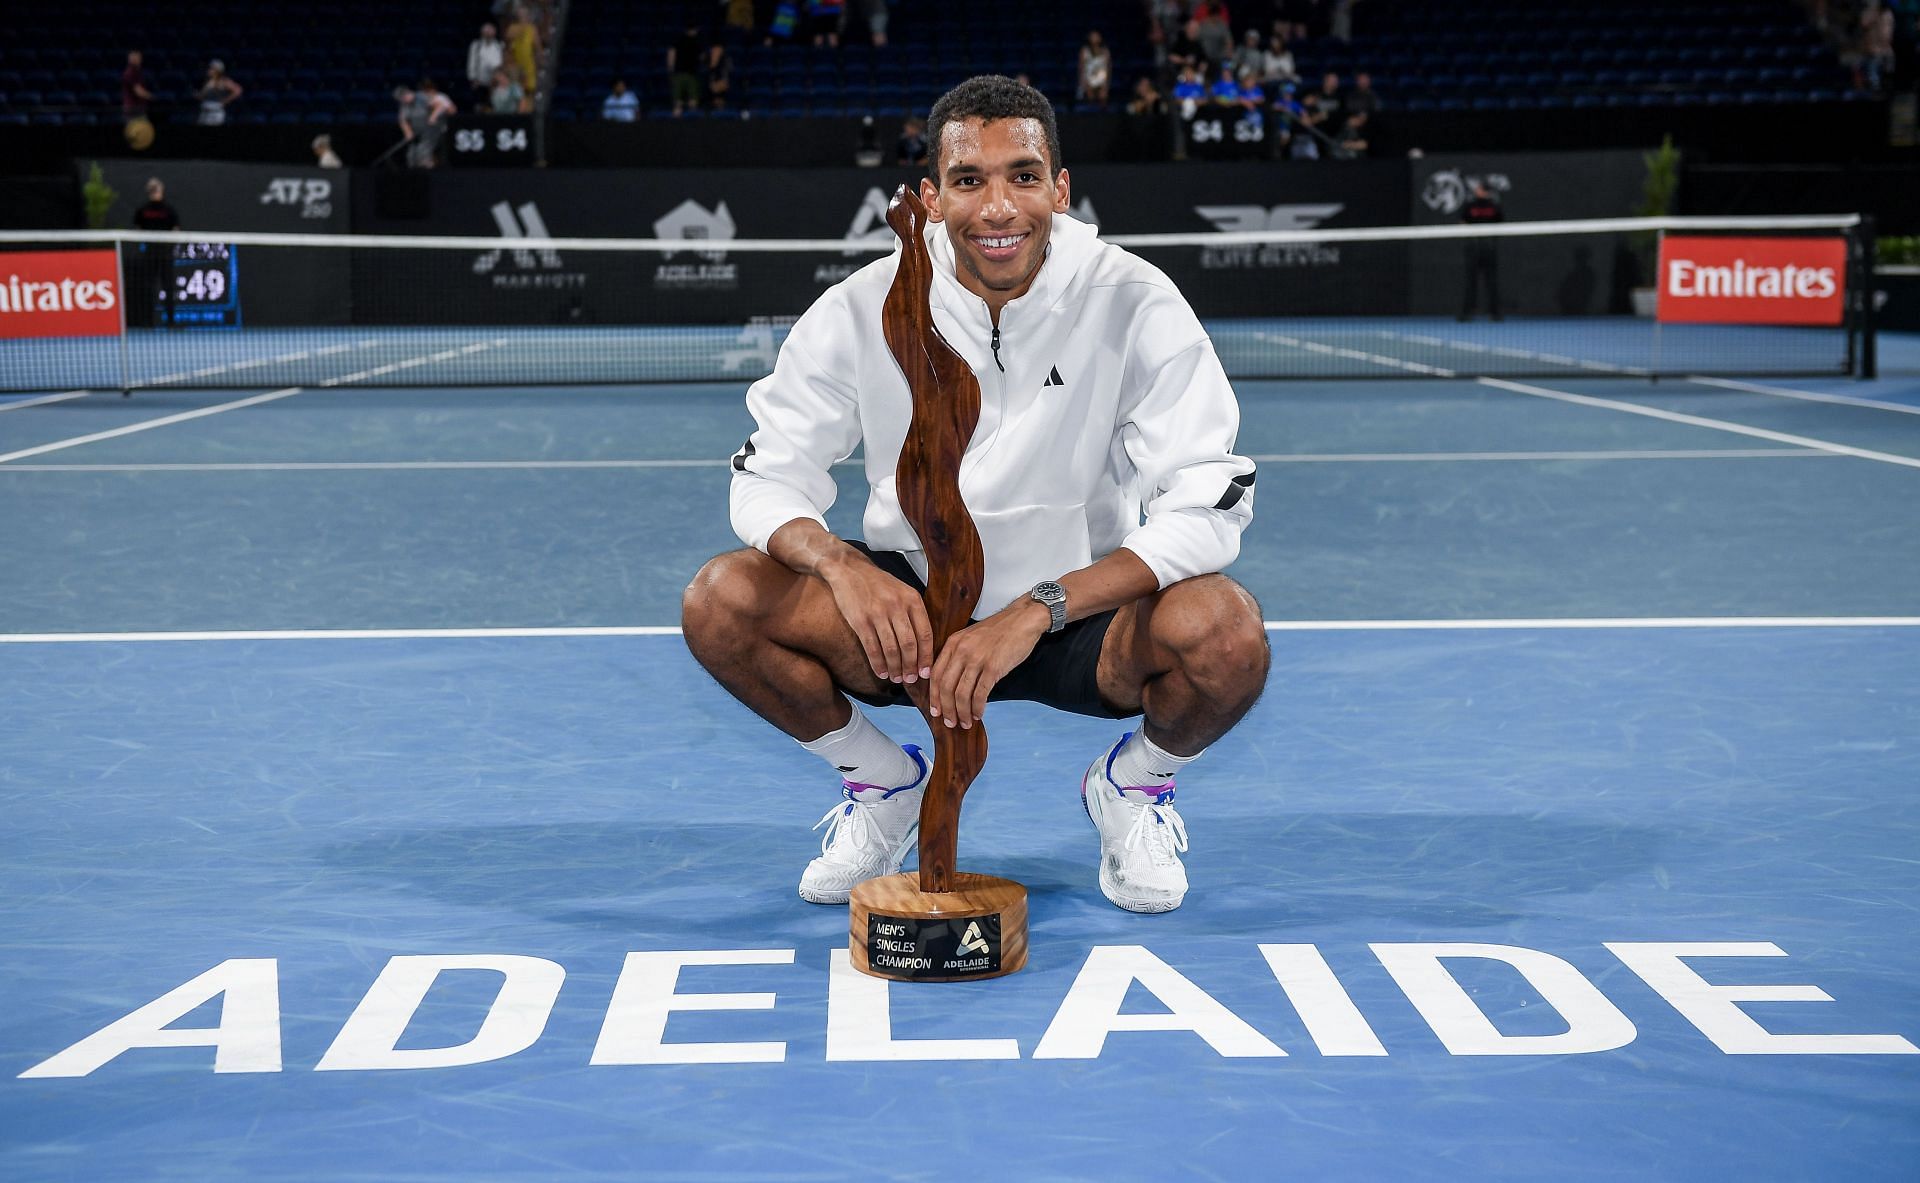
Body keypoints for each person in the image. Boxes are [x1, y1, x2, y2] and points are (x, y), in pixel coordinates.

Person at [682, 75, 1267, 916]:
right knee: (723, 600)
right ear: (929, 198)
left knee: (1226, 631)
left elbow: (1210, 502)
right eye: (969, 180)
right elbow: (768, 474)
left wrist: (1037, 608)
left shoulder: (1134, 300)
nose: (999, 208)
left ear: (1060, 190)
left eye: (1024, 176)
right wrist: (844, 566)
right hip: (914, 619)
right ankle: (881, 782)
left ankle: (1134, 788)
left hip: (1078, 618)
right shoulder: (862, 308)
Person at [128, 178, 181, 328]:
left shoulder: (169, 210)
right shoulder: (142, 210)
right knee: (147, 288)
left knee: (168, 288)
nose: (155, 190)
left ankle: (170, 322)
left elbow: (176, 231)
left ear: (161, 190)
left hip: (165, 254)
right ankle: (148, 322)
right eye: (152, 188)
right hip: (150, 255)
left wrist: (169, 245)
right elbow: (137, 230)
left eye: (156, 188)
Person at [1459, 178, 1503, 321]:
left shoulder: (1494, 206)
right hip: (1473, 248)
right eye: (1479, 188)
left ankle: (1495, 313)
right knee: (1470, 282)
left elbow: (1502, 225)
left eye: (1482, 189)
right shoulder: (1470, 206)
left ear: (1486, 191)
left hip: (1489, 249)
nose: (1479, 190)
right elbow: (1462, 222)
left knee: (1492, 282)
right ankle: (1467, 313)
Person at [395, 79, 456, 168]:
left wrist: (433, 117)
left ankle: (428, 173)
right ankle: (414, 174)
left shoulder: (421, 97)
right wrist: (408, 132)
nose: (403, 101)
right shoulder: (404, 104)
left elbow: (440, 106)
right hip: (418, 133)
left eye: (403, 98)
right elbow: (403, 120)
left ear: (408, 94)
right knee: (411, 155)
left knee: (424, 153)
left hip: (432, 131)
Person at [668, 23, 702, 116]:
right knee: (692, 102)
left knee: (678, 103)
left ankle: (679, 120)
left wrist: (671, 69)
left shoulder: (679, 40)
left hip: (680, 74)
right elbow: (701, 57)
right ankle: (692, 122)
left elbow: (671, 54)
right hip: (690, 74)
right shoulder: (696, 41)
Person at [195, 60, 242, 126]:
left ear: (218, 71)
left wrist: (225, 101)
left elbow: (238, 90)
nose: (209, 70)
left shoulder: (224, 81)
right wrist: (198, 95)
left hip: (215, 113)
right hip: (204, 112)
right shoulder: (207, 81)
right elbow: (203, 96)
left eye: (212, 68)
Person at [467, 23, 505, 100]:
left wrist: (500, 77)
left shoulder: (500, 45)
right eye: (486, 32)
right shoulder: (476, 45)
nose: (488, 34)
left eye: (490, 32)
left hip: (495, 80)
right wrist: (473, 78)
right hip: (480, 81)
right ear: (482, 33)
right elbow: (472, 62)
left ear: (494, 33)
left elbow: (502, 61)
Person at [1077, 30, 1113, 107]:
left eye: (1096, 36)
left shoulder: (1105, 51)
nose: (1094, 38)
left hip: (1101, 80)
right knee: (1089, 97)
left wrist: (1105, 86)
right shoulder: (1084, 51)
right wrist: (1084, 84)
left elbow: (1108, 68)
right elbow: (1081, 68)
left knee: (1103, 96)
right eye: (1092, 36)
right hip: (1088, 79)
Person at [121, 50, 153, 123]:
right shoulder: (130, 73)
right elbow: (139, 91)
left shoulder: (138, 72)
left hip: (139, 108)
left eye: (138, 57)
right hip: (133, 109)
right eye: (134, 57)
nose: (138, 59)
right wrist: (153, 97)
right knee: (135, 132)